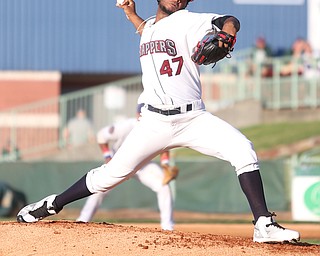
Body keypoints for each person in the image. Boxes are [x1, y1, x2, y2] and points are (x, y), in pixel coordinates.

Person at [17, 0, 300, 243]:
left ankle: (263, 223)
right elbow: (146, 30)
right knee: (108, 177)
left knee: (243, 149)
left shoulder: (189, 20)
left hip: (192, 118)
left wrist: (227, 33)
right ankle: (52, 203)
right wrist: (130, 13)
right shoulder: (149, 26)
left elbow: (229, 19)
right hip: (152, 122)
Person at [76, 103, 176, 230]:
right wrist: (108, 156)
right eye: (141, 113)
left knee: (163, 185)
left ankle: (167, 227)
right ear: (137, 114)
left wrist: (165, 164)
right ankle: (82, 220)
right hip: (120, 162)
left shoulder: (156, 128)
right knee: (99, 188)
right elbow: (101, 136)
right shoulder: (126, 126)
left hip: (143, 166)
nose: (142, 116)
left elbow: (164, 147)